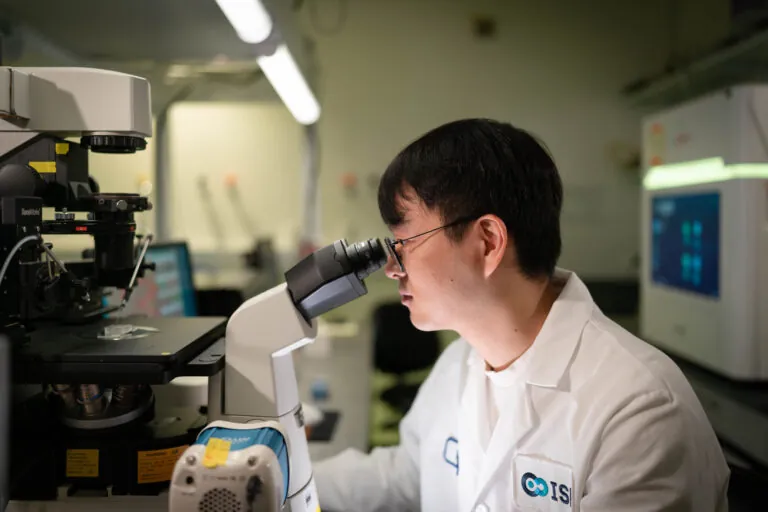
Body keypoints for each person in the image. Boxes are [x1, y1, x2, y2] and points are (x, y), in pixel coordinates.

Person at [313, 118, 730, 511]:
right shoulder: (459, 363)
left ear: (488, 242)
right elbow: (406, 474)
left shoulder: (639, 411)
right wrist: (280, 482)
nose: (391, 267)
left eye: (405, 242)